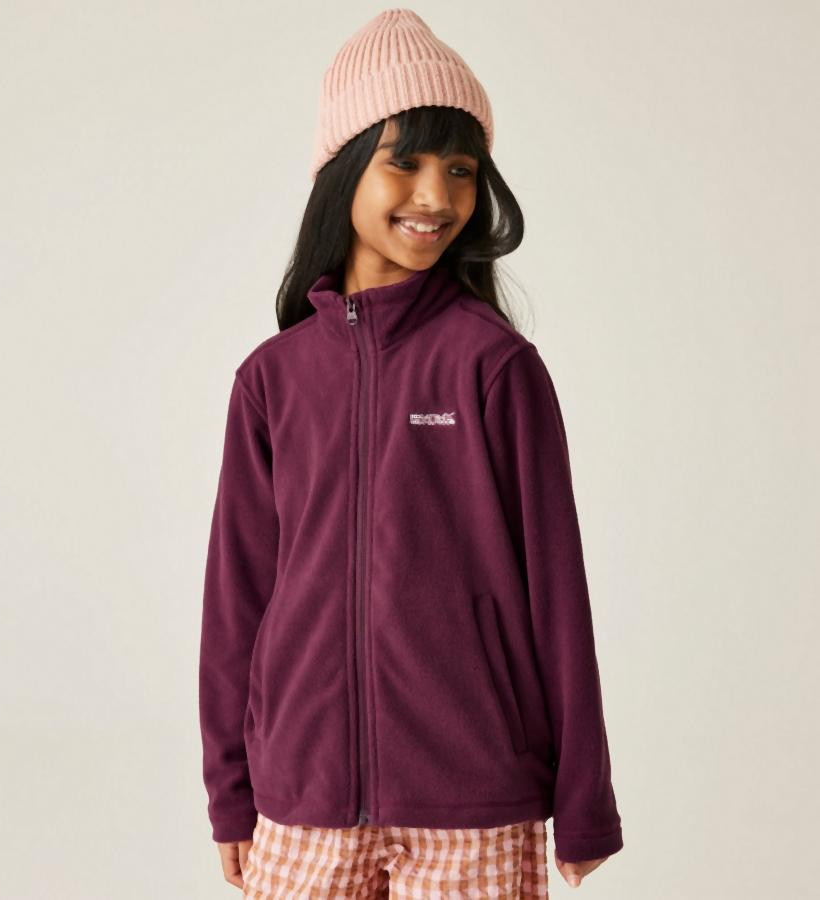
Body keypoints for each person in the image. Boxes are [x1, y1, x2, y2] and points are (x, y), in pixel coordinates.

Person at [199, 8, 624, 897]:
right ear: (344, 169)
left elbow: (558, 589)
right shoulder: (272, 380)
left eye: (461, 170)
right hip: (304, 796)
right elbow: (237, 598)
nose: (437, 196)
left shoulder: (494, 365)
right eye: (406, 161)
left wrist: (585, 798)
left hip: (477, 799)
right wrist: (231, 795)